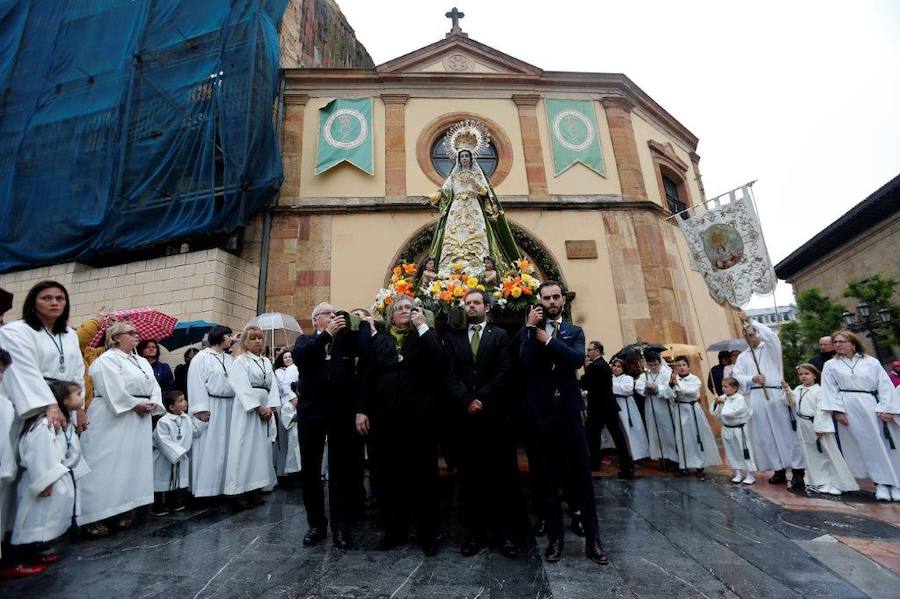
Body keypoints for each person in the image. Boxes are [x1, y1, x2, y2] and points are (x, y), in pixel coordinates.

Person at [519, 281, 608, 565]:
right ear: (540, 301)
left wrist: (548, 340)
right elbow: (524, 361)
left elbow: (576, 359)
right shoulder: (530, 332)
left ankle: (594, 540)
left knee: (581, 476)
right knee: (546, 478)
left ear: (563, 300)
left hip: (569, 412)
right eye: (547, 297)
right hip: (543, 414)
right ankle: (556, 539)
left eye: (556, 296)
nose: (552, 301)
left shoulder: (574, 332)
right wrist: (531, 330)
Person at [356, 296, 444, 556]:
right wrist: (361, 409)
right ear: (391, 316)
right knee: (388, 477)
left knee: (424, 478)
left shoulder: (424, 337)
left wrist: (423, 328)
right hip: (385, 421)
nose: (405, 311)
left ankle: (427, 534)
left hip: (419, 421)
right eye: (400, 309)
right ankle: (395, 530)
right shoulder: (380, 341)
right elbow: (367, 376)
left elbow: (439, 362)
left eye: (410, 308)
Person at [443, 290, 518, 558]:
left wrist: (482, 397)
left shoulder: (499, 336)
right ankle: (474, 535)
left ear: (486, 307)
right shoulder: (452, 338)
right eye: (467, 303)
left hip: (494, 418)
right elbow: (449, 374)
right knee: (469, 479)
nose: (471, 306)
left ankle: (502, 535)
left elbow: (506, 371)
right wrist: (466, 399)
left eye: (476, 302)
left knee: (499, 478)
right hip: (465, 420)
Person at [292, 303, 370, 549]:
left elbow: (366, 350)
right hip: (311, 413)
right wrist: (327, 335)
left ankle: (341, 526)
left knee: (341, 471)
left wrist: (363, 321)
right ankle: (316, 524)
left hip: (340, 413)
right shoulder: (304, 341)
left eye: (335, 313)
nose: (333, 316)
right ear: (316, 320)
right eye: (327, 313)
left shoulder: (347, 342)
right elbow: (302, 359)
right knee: (311, 470)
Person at [78, 321, 164, 535]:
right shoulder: (106, 360)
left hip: (138, 417)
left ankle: (122, 509)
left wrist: (153, 401)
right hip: (112, 418)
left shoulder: (142, 361)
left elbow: (153, 384)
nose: (137, 335)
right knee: (106, 464)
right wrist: (135, 404)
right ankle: (93, 515)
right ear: (115, 338)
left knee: (130, 463)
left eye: (137, 332)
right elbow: (111, 388)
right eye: (131, 332)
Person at [10, 380, 88, 566]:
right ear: (65, 401)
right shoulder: (44, 425)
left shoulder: (66, 423)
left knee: (48, 516)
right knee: (36, 516)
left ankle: (42, 546)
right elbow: (38, 453)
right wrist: (44, 480)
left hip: (58, 476)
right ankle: (26, 553)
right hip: (46, 478)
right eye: (77, 394)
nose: (81, 397)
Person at [820, 330, 899, 501]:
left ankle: (895, 483)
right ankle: (880, 484)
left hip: (872, 405)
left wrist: (887, 408)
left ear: (853, 343)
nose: (838, 345)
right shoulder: (831, 365)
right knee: (864, 446)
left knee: (883, 444)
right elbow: (829, 389)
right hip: (848, 407)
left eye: (842, 341)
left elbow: (884, 385)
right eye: (836, 342)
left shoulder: (871, 362)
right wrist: (838, 411)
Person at [732, 311, 805, 490]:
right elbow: (737, 375)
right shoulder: (743, 356)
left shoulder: (771, 347)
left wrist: (750, 321)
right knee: (765, 435)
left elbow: (770, 335)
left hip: (774, 395)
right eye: (748, 335)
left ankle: (797, 470)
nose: (752, 337)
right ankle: (778, 468)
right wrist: (752, 379)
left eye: (753, 333)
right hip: (756, 396)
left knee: (786, 433)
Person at [427, 142, 519, 274]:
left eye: (466, 156)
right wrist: (431, 197)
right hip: (457, 208)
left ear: (471, 158)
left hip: (473, 207)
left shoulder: (477, 175)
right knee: (453, 233)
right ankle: (450, 267)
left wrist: (474, 182)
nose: (464, 158)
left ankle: (478, 265)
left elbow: (485, 192)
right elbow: (444, 191)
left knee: (477, 231)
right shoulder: (453, 176)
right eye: (462, 156)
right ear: (458, 159)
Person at [782, 364, 857, 496]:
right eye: (801, 374)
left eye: (807, 374)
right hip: (803, 425)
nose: (803, 376)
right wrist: (787, 390)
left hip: (817, 426)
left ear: (815, 375)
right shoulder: (798, 389)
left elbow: (822, 410)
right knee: (812, 455)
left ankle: (839, 482)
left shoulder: (820, 391)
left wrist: (820, 427)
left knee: (828, 453)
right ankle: (821, 480)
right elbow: (791, 402)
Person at [225, 326, 277, 508]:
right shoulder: (241, 361)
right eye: (253, 338)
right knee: (244, 447)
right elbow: (240, 385)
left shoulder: (266, 362)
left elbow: (273, 386)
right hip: (248, 411)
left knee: (259, 450)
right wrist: (257, 407)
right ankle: (239, 491)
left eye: (260, 338)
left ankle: (255, 488)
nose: (258, 341)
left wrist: (270, 406)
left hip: (264, 409)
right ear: (245, 342)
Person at [187, 325, 235, 499]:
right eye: (229, 336)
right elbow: (195, 382)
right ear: (220, 337)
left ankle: (222, 488)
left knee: (226, 448)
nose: (231, 339)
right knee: (210, 448)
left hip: (229, 407)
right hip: (211, 406)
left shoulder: (229, 359)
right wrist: (201, 408)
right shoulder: (202, 357)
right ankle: (205, 490)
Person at [582, 342, 633, 477]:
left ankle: (595, 464)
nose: (587, 352)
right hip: (607, 406)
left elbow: (585, 382)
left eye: (589, 349)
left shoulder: (595, 366)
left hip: (599, 407)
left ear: (597, 351)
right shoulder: (603, 364)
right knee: (614, 436)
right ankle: (626, 465)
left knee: (594, 436)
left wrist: (586, 368)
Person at [669, 356, 721, 479]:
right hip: (680, 410)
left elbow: (690, 392)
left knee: (696, 437)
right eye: (678, 365)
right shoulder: (673, 380)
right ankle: (684, 466)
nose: (681, 367)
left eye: (683, 365)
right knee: (682, 438)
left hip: (692, 410)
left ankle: (700, 466)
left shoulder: (694, 379)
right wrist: (671, 384)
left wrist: (678, 384)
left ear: (688, 366)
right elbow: (668, 394)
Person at [151, 390, 200, 515]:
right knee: (162, 482)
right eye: (181, 401)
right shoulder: (164, 421)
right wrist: (178, 452)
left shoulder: (186, 418)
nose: (185, 402)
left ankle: (172, 502)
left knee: (175, 482)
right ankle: (157, 506)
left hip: (179, 455)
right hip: (164, 457)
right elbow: (162, 440)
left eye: (184, 399)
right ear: (171, 407)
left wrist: (202, 421)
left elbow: (194, 432)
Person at [634, 353, 679, 469]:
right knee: (655, 431)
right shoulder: (645, 374)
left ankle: (673, 459)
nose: (653, 367)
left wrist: (655, 388)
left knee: (667, 431)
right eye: (651, 365)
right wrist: (645, 388)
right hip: (651, 405)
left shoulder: (666, 372)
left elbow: (669, 388)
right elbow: (638, 386)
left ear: (659, 362)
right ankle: (662, 457)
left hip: (664, 406)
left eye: (656, 364)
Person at [712, 377, 756, 484]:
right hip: (727, 429)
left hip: (739, 429)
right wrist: (717, 404)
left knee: (744, 451)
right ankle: (738, 473)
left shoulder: (739, 399)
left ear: (734, 388)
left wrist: (723, 403)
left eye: (726, 386)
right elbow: (716, 414)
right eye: (722, 386)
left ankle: (750, 475)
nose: (723, 388)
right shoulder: (723, 398)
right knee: (732, 452)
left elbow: (733, 412)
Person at [609, 358, 650, 463]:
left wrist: (611, 387)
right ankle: (624, 455)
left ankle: (637, 455)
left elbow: (627, 389)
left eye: (619, 366)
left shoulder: (628, 378)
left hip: (626, 406)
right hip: (614, 405)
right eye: (614, 366)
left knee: (631, 431)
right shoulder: (610, 378)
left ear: (623, 368)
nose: (616, 368)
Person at [272, 351, 301, 479]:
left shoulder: (295, 368)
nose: (288, 358)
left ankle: (295, 470)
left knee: (295, 440)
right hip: (285, 406)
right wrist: (292, 398)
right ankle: (284, 471)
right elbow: (284, 388)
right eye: (285, 357)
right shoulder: (278, 372)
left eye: (290, 356)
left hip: (296, 404)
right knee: (284, 440)